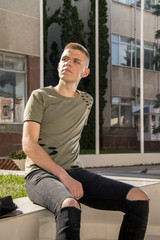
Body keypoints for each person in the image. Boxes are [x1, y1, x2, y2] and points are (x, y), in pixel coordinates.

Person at [22, 42, 149, 240]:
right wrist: (64, 176)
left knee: (138, 198)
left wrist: (70, 175)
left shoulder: (86, 101)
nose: (68, 63)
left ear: (85, 72)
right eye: (64, 59)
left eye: (75, 61)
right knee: (70, 204)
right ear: (58, 66)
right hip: (40, 174)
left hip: (75, 172)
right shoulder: (40, 97)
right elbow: (29, 145)